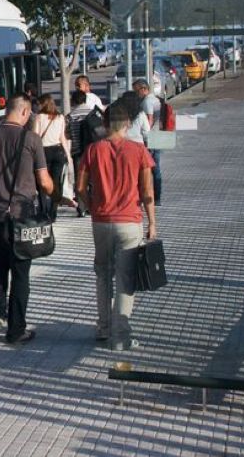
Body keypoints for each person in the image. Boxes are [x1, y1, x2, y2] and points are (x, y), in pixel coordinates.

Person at [0, 94, 53, 345]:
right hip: (22, 217)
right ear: (25, 112)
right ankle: (16, 330)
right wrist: (55, 193)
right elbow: (46, 183)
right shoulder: (32, 140)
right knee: (20, 272)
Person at [76, 103, 158, 351]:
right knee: (125, 278)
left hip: (101, 222)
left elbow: (80, 188)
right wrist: (152, 221)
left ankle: (103, 328)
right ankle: (120, 337)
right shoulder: (139, 151)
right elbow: (147, 191)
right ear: (127, 125)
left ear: (104, 124)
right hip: (129, 222)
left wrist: (92, 207)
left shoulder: (92, 150)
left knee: (102, 274)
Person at [30, 94, 70, 222]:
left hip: (43, 152)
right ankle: (53, 212)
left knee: (41, 182)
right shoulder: (60, 117)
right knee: (56, 183)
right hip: (58, 151)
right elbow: (62, 138)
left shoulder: (39, 117)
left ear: (44, 104)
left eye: (39, 103)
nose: (38, 106)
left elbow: (35, 137)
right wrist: (68, 154)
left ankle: (43, 211)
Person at [132, 79, 164, 205]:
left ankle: (150, 197)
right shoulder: (156, 99)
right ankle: (157, 197)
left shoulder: (146, 102)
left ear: (143, 89)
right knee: (156, 168)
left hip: (151, 138)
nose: (136, 94)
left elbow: (149, 120)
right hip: (159, 135)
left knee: (147, 169)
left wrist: (144, 136)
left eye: (136, 91)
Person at [68, 90, 98, 217]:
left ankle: (81, 208)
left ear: (73, 100)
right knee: (92, 179)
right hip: (92, 150)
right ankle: (93, 206)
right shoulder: (92, 113)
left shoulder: (70, 116)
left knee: (80, 179)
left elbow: (68, 134)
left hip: (77, 151)